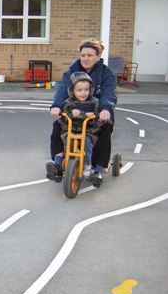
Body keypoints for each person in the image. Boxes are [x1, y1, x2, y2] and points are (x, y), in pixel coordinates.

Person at [46, 38, 117, 187]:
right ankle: (58, 162)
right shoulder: (73, 70)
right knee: (58, 125)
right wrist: (56, 106)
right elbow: (63, 89)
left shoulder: (106, 73)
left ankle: (97, 168)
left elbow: (108, 94)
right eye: (83, 55)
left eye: (90, 55)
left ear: (98, 56)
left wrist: (105, 109)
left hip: (96, 113)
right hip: (75, 112)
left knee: (105, 128)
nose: (86, 58)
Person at [58, 72, 103, 180]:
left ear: (90, 89)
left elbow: (98, 119)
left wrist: (94, 116)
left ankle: (87, 165)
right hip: (71, 130)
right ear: (72, 91)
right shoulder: (68, 103)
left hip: (88, 131)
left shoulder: (95, 102)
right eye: (79, 90)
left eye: (86, 90)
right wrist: (70, 114)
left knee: (87, 142)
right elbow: (63, 117)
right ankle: (68, 162)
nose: (83, 93)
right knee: (67, 140)